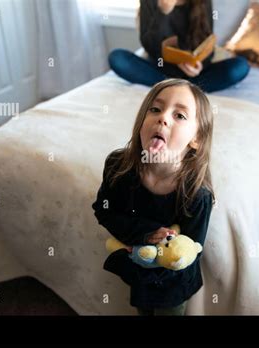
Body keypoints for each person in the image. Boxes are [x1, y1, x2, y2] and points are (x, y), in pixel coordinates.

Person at [92, 78, 215, 315]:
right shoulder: (119, 166)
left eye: (180, 116)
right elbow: (104, 209)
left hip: (172, 283)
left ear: (196, 139)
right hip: (137, 267)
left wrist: (159, 249)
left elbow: (190, 250)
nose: (163, 118)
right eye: (155, 109)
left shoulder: (197, 195)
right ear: (141, 122)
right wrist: (145, 234)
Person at [108, 0, 249, 93]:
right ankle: (183, 87)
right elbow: (149, 44)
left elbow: (206, 42)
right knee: (117, 58)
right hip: (160, 68)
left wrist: (198, 64)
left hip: (196, 72)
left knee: (240, 67)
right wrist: (163, 12)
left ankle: (173, 87)